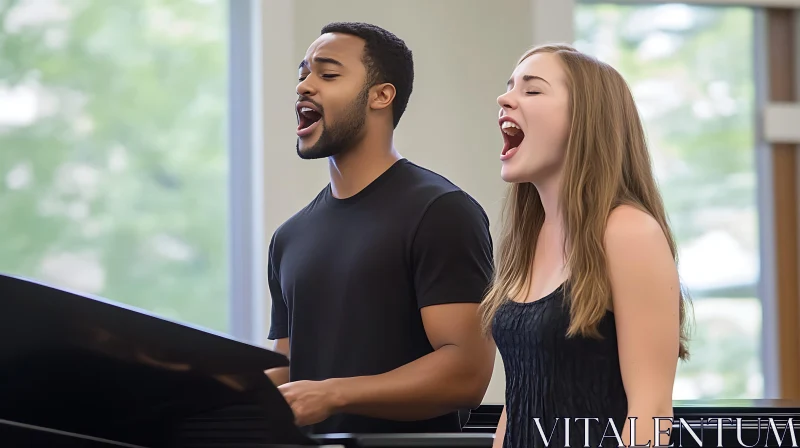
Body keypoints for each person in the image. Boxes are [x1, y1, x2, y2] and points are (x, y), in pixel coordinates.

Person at [265, 22, 496, 435]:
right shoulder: (288, 238)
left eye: (328, 74)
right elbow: (291, 375)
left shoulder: (442, 212)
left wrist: (336, 394)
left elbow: (467, 373)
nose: (304, 86)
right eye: (302, 75)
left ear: (381, 95)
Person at [480, 44, 691, 448]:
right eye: (510, 87)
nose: (504, 98)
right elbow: (520, 399)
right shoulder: (530, 237)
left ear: (585, 120)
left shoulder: (629, 233)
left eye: (532, 90)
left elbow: (652, 409)